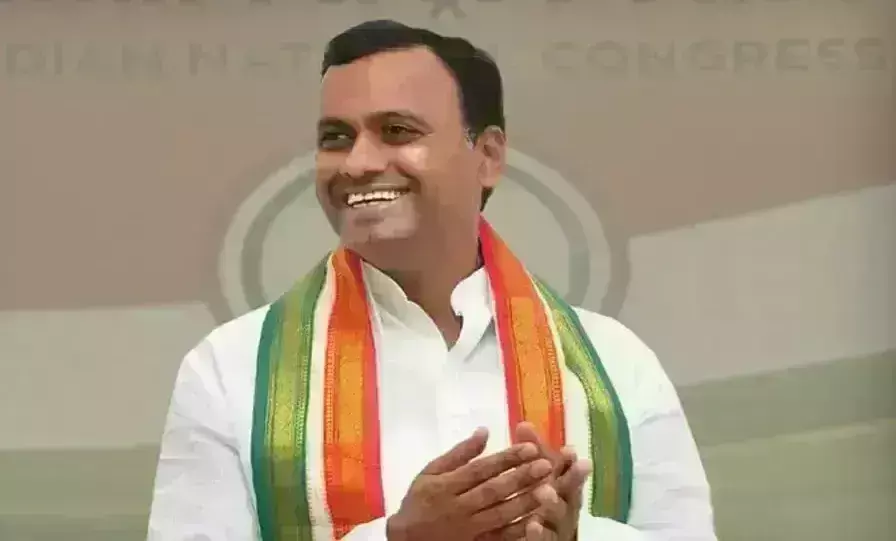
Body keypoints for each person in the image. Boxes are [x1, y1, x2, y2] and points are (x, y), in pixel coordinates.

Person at [147, 19, 717, 541]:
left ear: (487, 156)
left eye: (396, 130)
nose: (357, 164)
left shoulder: (614, 365)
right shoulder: (231, 370)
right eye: (336, 138)